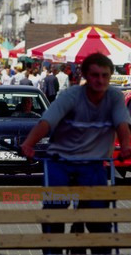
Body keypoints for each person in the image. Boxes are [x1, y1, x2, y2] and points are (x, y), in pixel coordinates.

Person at [20, 53, 131, 255]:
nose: (100, 80)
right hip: (60, 162)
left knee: (99, 218)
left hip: (93, 164)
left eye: (105, 75)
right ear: (86, 76)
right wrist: (29, 144)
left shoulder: (115, 98)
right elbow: (46, 122)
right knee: (54, 214)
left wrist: (126, 146)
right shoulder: (70, 96)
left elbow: (122, 125)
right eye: (95, 75)